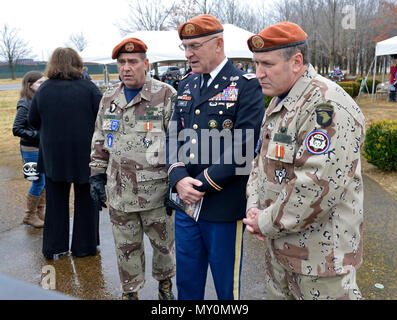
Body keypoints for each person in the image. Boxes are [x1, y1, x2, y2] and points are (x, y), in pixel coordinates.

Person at [244, 22, 365, 300]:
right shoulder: (280, 101)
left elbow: (314, 187)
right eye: (255, 64)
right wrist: (254, 207)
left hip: (320, 262)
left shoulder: (326, 106)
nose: (257, 73)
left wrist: (262, 222)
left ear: (296, 62)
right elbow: (260, 163)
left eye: (266, 64)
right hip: (281, 249)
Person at [166, 14, 265, 300]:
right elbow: (173, 135)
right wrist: (177, 178)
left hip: (222, 204)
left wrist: (198, 185)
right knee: (186, 283)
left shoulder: (245, 85)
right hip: (186, 204)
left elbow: (244, 146)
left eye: (195, 46)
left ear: (219, 44)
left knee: (226, 288)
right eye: (184, 46)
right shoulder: (186, 85)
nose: (188, 54)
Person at [89, 37, 176, 300]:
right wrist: (96, 175)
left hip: (156, 192)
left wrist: (176, 183)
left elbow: (177, 142)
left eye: (133, 62)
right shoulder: (109, 97)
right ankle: (130, 291)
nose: (127, 67)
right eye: (122, 62)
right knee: (125, 247)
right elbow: (99, 138)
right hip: (120, 193)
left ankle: (165, 285)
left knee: (163, 246)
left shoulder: (164, 95)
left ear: (146, 64)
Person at [28, 47, 102, 259]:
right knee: (87, 202)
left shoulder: (44, 89)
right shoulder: (89, 88)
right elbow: (102, 118)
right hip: (84, 155)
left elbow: (33, 120)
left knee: (55, 203)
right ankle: (85, 246)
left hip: (54, 155)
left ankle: (54, 247)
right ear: (77, 62)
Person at [12, 71, 46, 228]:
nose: (42, 85)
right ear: (29, 85)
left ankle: (40, 211)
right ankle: (29, 215)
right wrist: (38, 134)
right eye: (39, 82)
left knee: (44, 181)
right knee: (38, 182)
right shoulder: (25, 103)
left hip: (42, 148)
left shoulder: (39, 99)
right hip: (30, 149)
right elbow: (17, 129)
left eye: (44, 81)